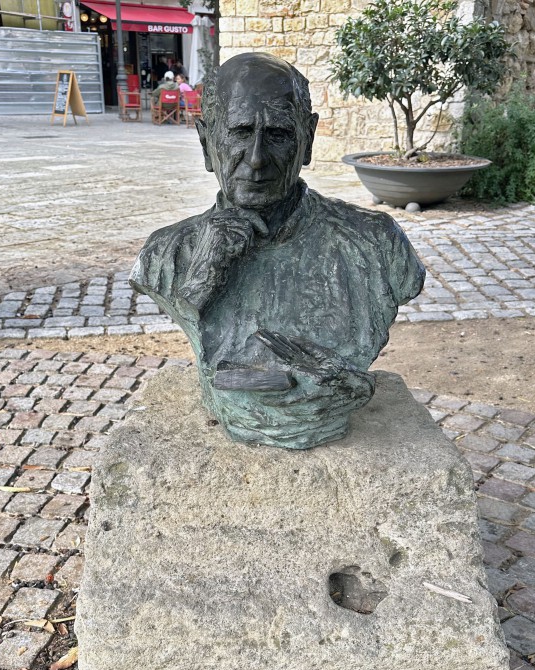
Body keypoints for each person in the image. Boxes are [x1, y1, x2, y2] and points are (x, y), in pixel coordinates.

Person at [130, 53, 425, 449]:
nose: (255, 159)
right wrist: (199, 281)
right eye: (239, 132)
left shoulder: (377, 242)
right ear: (206, 142)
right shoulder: (164, 255)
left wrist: (348, 384)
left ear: (307, 141)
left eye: (279, 135)